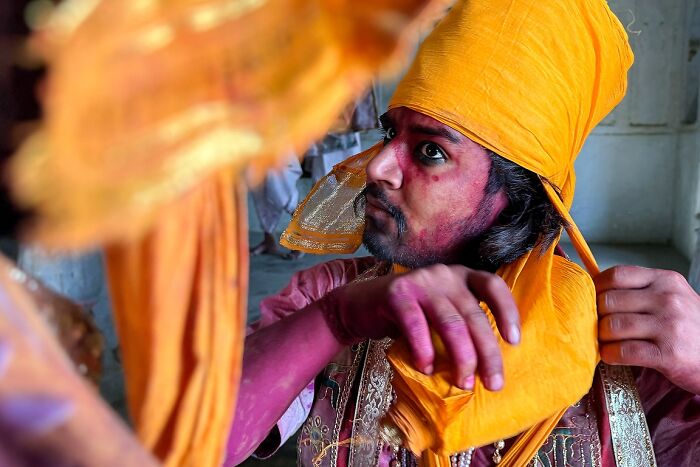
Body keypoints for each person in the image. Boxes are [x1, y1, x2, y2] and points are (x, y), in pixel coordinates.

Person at [225, 1, 700, 466]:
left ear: (515, 191)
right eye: (391, 135)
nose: (378, 165)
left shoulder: (623, 345)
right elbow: (196, 442)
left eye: (430, 151)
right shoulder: (330, 296)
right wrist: (336, 322)